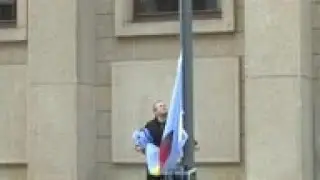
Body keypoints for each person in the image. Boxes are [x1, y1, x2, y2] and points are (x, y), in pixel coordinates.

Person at [135, 100, 198, 180]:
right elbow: (145, 139)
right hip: (156, 163)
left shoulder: (174, 124)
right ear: (155, 112)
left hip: (171, 163)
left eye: (164, 105)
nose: (164, 107)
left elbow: (183, 135)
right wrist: (139, 146)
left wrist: (193, 143)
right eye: (160, 106)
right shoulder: (150, 125)